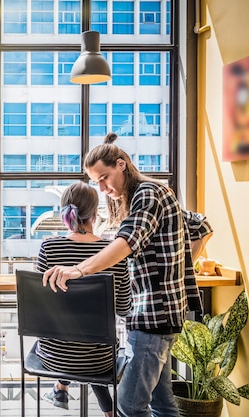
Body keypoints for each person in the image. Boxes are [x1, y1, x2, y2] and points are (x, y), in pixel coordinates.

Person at [42, 132, 213, 417]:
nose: (102, 187)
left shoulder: (148, 193)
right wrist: (178, 267)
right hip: (156, 314)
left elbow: (126, 242)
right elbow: (201, 227)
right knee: (163, 404)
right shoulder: (143, 196)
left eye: (104, 177)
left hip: (153, 316)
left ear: (121, 164)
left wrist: (78, 269)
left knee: (129, 405)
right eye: (96, 182)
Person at [35, 181, 132, 417]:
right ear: (95, 212)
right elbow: (124, 308)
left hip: (54, 357)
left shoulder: (49, 247)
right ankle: (107, 411)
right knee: (91, 341)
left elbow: (41, 304)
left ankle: (61, 387)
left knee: (73, 336)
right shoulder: (113, 252)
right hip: (99, 360)